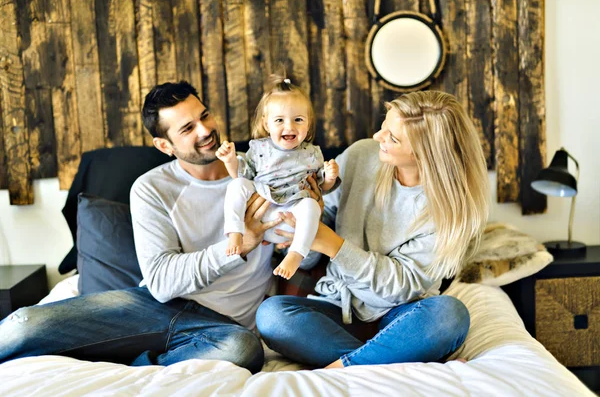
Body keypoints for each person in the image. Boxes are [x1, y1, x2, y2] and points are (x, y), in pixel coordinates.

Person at [0, 81, 280, 374]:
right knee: (25, 326)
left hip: (223, 327)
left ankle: (137, 367)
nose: (205, 130)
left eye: (204, 115)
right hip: (155, 308)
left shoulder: (265, 172)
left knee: (243, 350)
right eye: (187, 129)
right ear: (164, 146)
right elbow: (161, 282)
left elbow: (305, 254)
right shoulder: (151, 188)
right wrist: (237, 247)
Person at [256, 90, 490, 368]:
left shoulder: (448, 210)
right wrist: (299, 238)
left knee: (450, 316)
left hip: (403, 316)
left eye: (392, 138)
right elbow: (310, 256)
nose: (378, 137)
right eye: (384, 126)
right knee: (272, 316)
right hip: (337, 309)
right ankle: (396, 361)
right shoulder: (361, 155)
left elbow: (401, 287)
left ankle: (346, 366)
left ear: (424, 153)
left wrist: (334, 246)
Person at [216, 75, 339, 280]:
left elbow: (321, 187)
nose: (289, 127)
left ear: (308, 123)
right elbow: (242, 174)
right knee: (237, 184)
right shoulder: (258, 148)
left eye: (298, 120)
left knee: (311, 205)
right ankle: (235, 233)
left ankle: (295, 254)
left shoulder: (312, 153)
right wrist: (230, 160)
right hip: (261, 217)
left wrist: (330, 177)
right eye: (279, 120)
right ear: (266, 123)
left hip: (290, 218)